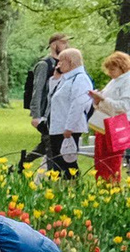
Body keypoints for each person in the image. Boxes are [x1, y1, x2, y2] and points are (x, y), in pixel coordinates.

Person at [44, 46, 95, 178]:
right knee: (57, 161)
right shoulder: (66, 78)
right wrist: (56, 78)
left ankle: (72, 188)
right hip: (57, 126)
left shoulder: (80, 79)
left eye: (61, 62)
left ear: (70, 61)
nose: (58, 65)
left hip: (67, 128)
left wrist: (69, 127)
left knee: (67, 161)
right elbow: (53, 97)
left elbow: (78, 105)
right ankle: (59, 188)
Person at [24, 33, 65, 160]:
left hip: (57, 112)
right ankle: (50, 169)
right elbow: (37, 90)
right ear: (53, 45)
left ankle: (22, 164)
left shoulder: (63, 64)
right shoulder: (44, 64)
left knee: (47, 145)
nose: (66, 45)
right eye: (63, 42)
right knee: (50, 145)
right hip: (45, 114)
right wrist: (36, 115)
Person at [94, 51, 130, 184]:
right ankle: (102, 185)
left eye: (113, 69)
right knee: (100, 159)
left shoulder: (127, 81)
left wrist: (103, 99)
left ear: (122, 67)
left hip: (117, 124)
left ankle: (111, 188)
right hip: (104, 122)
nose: (110, 72)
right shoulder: (114, 81)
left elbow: (124, 106)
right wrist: (97, 100)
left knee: (112, 160)